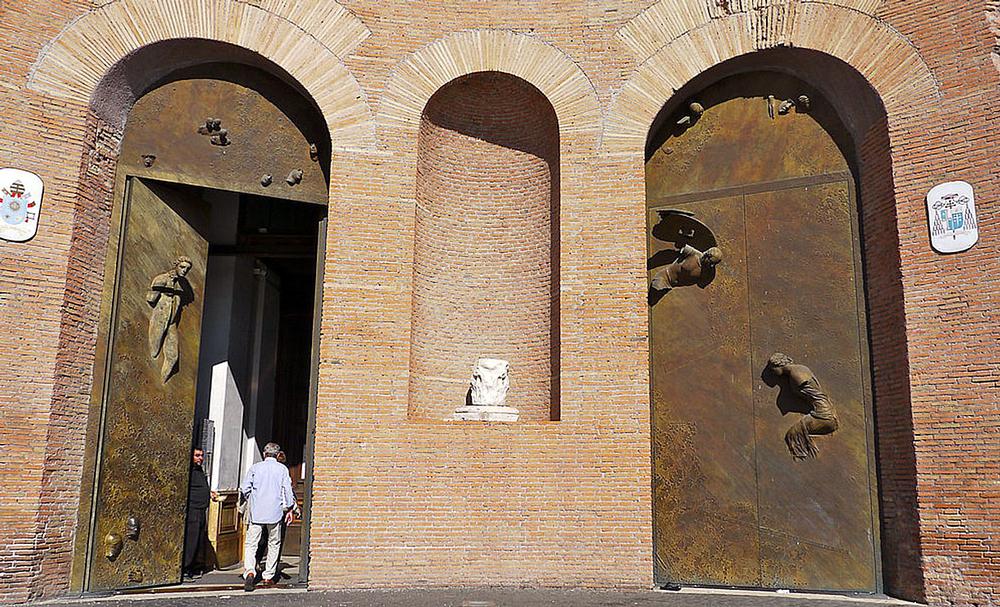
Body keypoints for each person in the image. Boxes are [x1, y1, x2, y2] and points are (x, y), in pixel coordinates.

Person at [240, 442, 299, 591]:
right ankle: (268, 576)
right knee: (274, 544)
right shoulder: (282, 469)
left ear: (265, 454)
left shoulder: (255, 468)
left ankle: (250, 571)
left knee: (251, 543)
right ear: (278, 455)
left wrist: (253, 499)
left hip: (257, 513)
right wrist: (289, 509)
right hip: (275, 513)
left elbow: (245, 488)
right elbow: (287, 491)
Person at [763, 353, 839, 460]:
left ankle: (808, 459)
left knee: (792, 435)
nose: (773, 373)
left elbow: (812, 393)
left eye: (772, 369)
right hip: (824, 410)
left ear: (778, 365)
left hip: (823, 414)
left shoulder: (796, 375)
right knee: (795, 434)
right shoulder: (800, 369)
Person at [183, 447, 217, 579]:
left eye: (201, 456)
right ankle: (186, 568)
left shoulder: (199, 470)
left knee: (198, 539)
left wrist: (208, 493)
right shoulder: (189, 470)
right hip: (193, 509)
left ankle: (193, 566)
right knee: (191, 540)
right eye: (197, 455)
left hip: (201, 509)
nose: (200, 458)